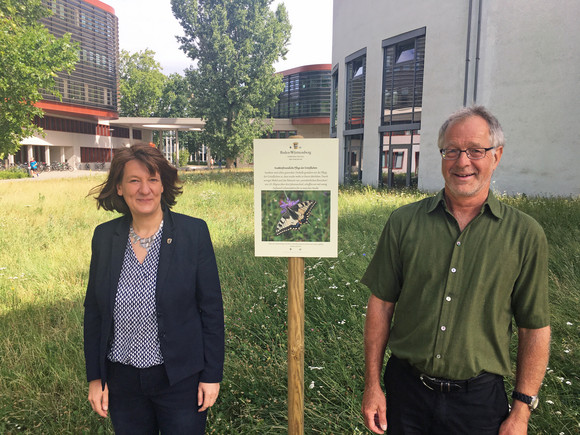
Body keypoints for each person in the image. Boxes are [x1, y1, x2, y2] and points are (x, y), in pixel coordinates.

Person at [361, 106, 550, 434]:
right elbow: (381, 305)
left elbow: (534, 328)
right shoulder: (403, 223)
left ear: (497, 155)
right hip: (406, 394)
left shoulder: (525, 235)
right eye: (452, 150)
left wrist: (521, 411)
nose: (462, 161)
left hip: (478, 402)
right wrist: (373, 386)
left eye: (476, 150)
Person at [84, 143, 224, 434]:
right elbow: (95, 312)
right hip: (122, 382)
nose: (144, 189)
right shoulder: (105, 237)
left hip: (180, 379)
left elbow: (210, 309)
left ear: (163, 185)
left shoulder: (193, 233)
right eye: (134, 180)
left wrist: (211, 375)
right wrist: (96, 378)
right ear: (120, 188)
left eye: (152, 179)